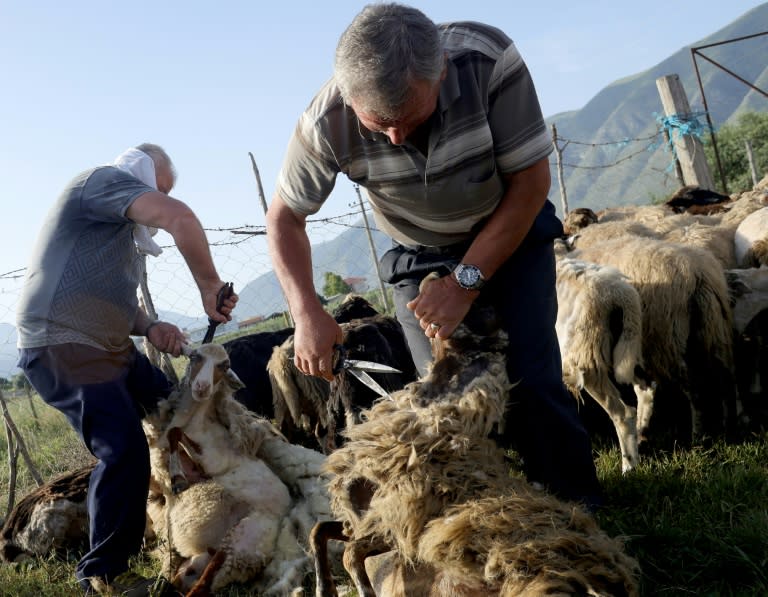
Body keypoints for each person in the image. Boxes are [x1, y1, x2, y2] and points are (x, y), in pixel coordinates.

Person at [266, 3, 603, 509]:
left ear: (441, 71)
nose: (398, 138)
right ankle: (486, 518)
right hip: (417, 253)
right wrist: (307, 311)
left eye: (411, 118)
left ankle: (576, 515)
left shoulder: (489, 62)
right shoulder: (325, 121)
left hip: (507, 226)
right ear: (349, 98)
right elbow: (284, 219)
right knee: (444, 399)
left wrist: (466, 281)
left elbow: (531, 182)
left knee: (532, 380)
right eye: (379, 125)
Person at [16, 143, 238, 596]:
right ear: (141, 173)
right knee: (123, 448)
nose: (159, 200)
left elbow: (113, 302)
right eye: (160, 188)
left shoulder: (118, 234)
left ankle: (203, 509)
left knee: (177, 409)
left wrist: (151, 326)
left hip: (108, 346)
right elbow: (180, 218)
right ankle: (103, 572)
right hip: (62, 344)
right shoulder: (98, 182)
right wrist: (210, 284)